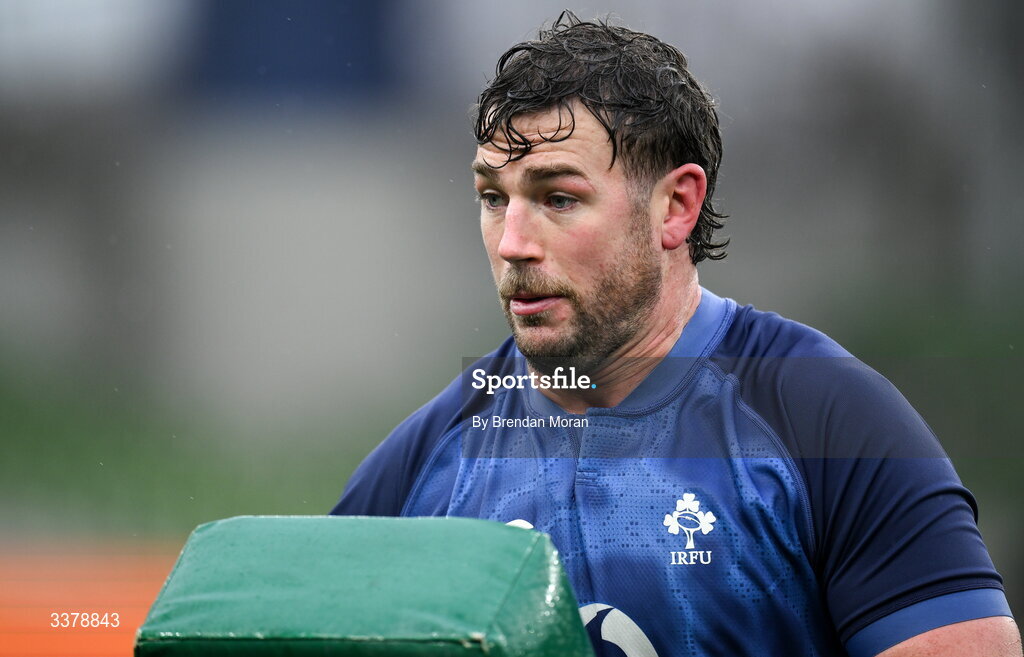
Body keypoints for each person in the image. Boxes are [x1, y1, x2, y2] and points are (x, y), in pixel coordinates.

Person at [331, 12, 1020, 657]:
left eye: (558, 198)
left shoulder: (829, 424)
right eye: (493, 198)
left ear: (676, 206)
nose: (512, 243)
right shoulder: (429, 461)